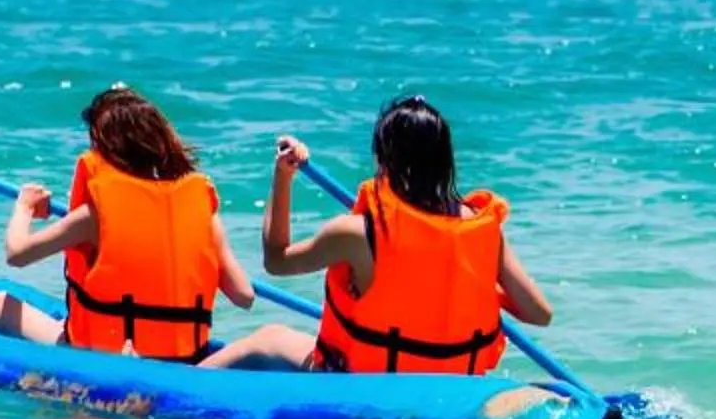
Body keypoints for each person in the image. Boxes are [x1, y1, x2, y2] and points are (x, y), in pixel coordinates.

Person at [200, 94, 551, 373]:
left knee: (268, 338)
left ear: (385, 160)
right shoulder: (483, 230)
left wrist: (283, 175)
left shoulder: (358, 233)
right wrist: (467, 282)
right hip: (454, 377)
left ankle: (167, 392)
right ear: (445, 160)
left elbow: (276, 260)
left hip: (367, 379)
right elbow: (539, 314)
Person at [0, 84, 256, 360]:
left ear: (109, 150)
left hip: (108, 355)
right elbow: (244, 296)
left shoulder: (95, 216)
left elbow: (17, 254)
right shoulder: (202, 207)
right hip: (185, 355)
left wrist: (24, 206)